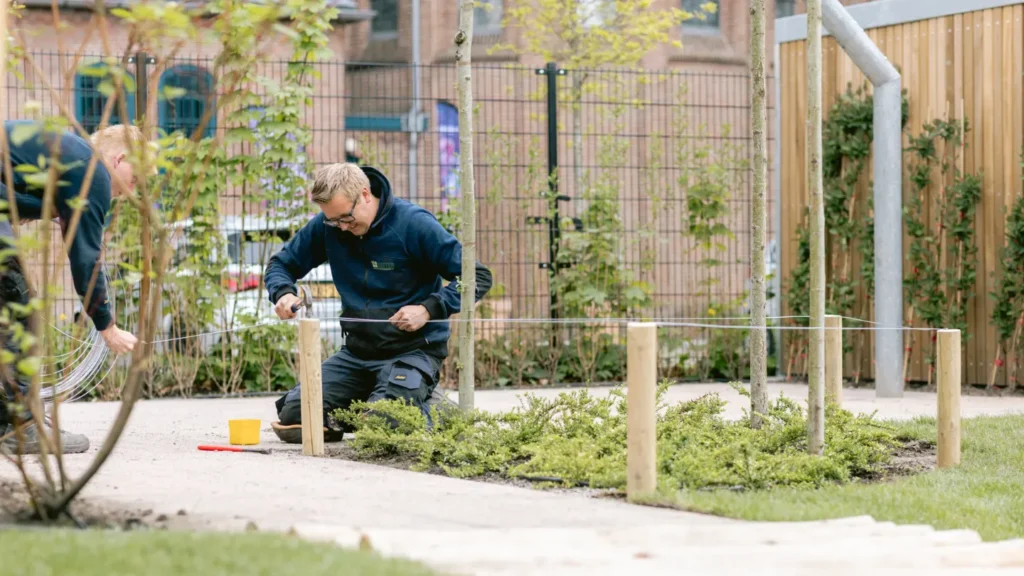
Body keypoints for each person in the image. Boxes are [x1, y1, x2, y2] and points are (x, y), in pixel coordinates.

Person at [265, 162, 492, 443]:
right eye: (333, 221)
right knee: (296, 414)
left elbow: (477, 276)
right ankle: (376, 405)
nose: (342, 227)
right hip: (357, 354)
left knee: (385, 422)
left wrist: (429, 309)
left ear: (364, 194)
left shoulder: (413, 224)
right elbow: (280, 265)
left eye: (346, 218)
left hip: (412, 352)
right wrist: (282, 292)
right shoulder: (328, 226)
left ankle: (430, 409)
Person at [0, 122, 143, 455]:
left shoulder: (70, 157)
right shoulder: (93, 171)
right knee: (19, 305)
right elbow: (85, 260)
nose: (133, 191)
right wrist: (107, 326)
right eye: (135, 179)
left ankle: (10, 420)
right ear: (120, 159)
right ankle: (22, 427)